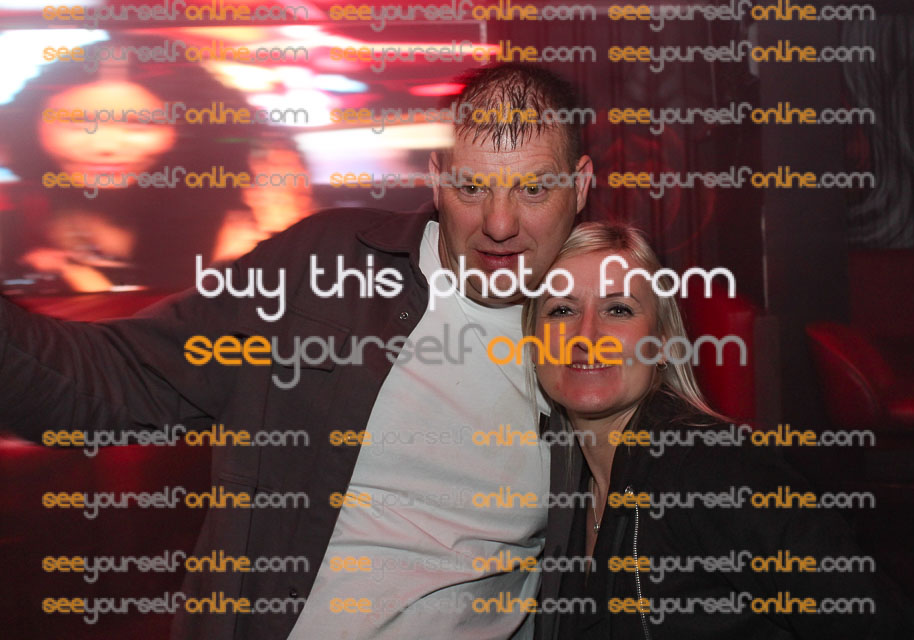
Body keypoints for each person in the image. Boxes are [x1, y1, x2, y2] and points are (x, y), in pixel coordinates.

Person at [0, 62, 593, 639]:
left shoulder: (604, 344)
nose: (499, 223)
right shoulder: (323, 265)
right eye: (472, 187)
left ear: (581, 184)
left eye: (534, 188)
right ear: (438, 180)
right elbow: (115, 380)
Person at [526, 223, 914, 639]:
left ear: (662, 343)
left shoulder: (715, 472)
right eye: (562, 310)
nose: (587, 335)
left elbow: (876, 619)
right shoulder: (566, 487)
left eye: (619, 310)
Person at [0, 34, 313, 292]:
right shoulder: (29, 206)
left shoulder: (251, 212)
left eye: (140, 124)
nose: (104, 146)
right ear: (31, 125)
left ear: (190, 128)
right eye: (76, 123)